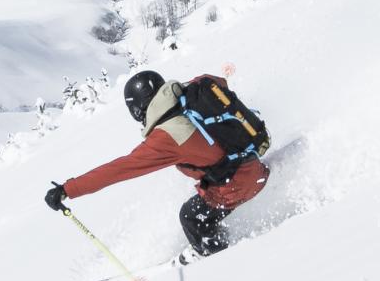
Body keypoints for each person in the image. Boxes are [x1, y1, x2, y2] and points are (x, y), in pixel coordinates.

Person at [46, 69, 268, 256]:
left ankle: (218, 259)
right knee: (199, 203)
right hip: (253, 164)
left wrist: (68, 189)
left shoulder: (165, 138)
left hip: (238, 185)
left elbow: (118, 170)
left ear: (138, 109)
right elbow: (219, 83)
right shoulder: (193, 93)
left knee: (191, 217)